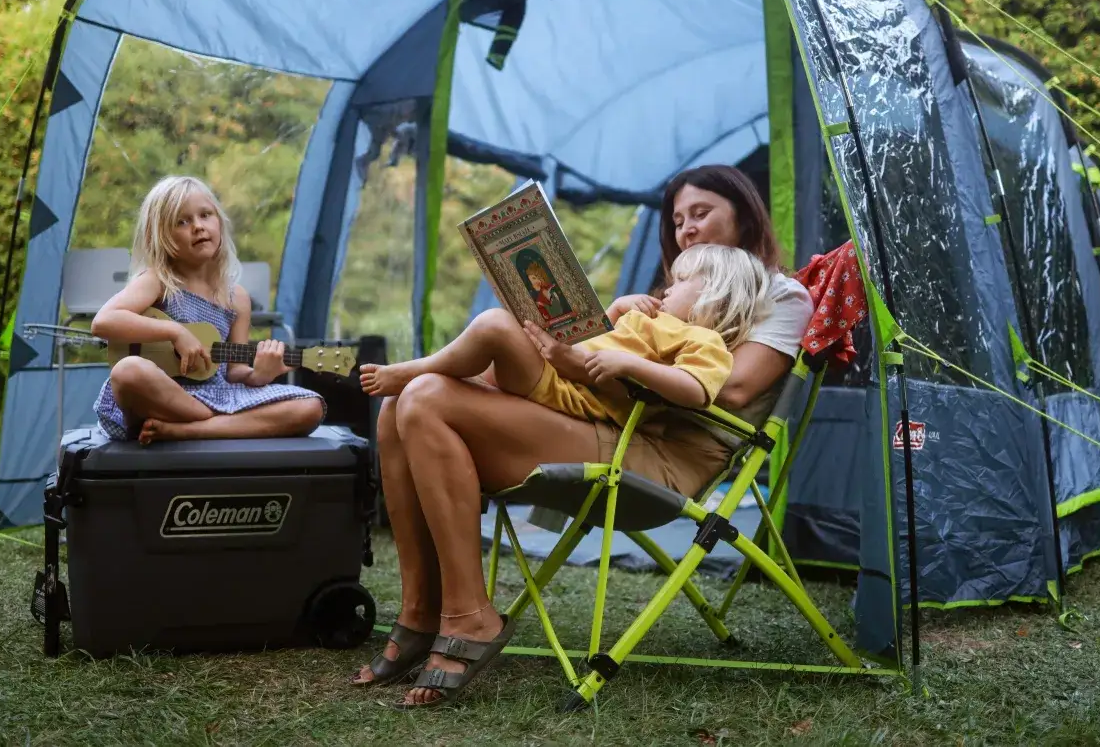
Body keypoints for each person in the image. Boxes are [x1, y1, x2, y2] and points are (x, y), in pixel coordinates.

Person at [351, 165, 813, 709]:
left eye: (702, 212)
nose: (686, 228)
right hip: (607, 419)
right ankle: (420, 609)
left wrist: (614, 359)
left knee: (425, 397)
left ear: (745, 212)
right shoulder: (670, 302)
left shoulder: (781, 294)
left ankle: (468, 615)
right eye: (678, 220)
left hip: (657, 452)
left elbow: (732, 391)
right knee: (396, 408)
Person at [360, 244, 773, 427]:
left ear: (715, 295)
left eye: (680, 282)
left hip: (569, 396)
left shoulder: (705, 343)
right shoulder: (649, 322)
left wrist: (632, 363)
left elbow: (697, 390)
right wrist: (612, 312)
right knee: (510, 318)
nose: (666, 290)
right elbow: (599, 344)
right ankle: (435, 376)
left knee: (494, 324)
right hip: (556, 373)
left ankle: (415, 369)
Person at [91, 175, 324, 445]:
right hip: (163, 395)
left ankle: (189, 430)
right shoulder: (158, 281)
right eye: (182, 221)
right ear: (161, 235)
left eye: (205, 215)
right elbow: (104, 321)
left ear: (220, 223)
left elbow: (234, 372)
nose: (198, 227)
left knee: (310, 407)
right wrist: (175, 332)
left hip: (217, 394)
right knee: (127, 371)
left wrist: (260, 374)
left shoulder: (236, 297)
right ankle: (218, 422)